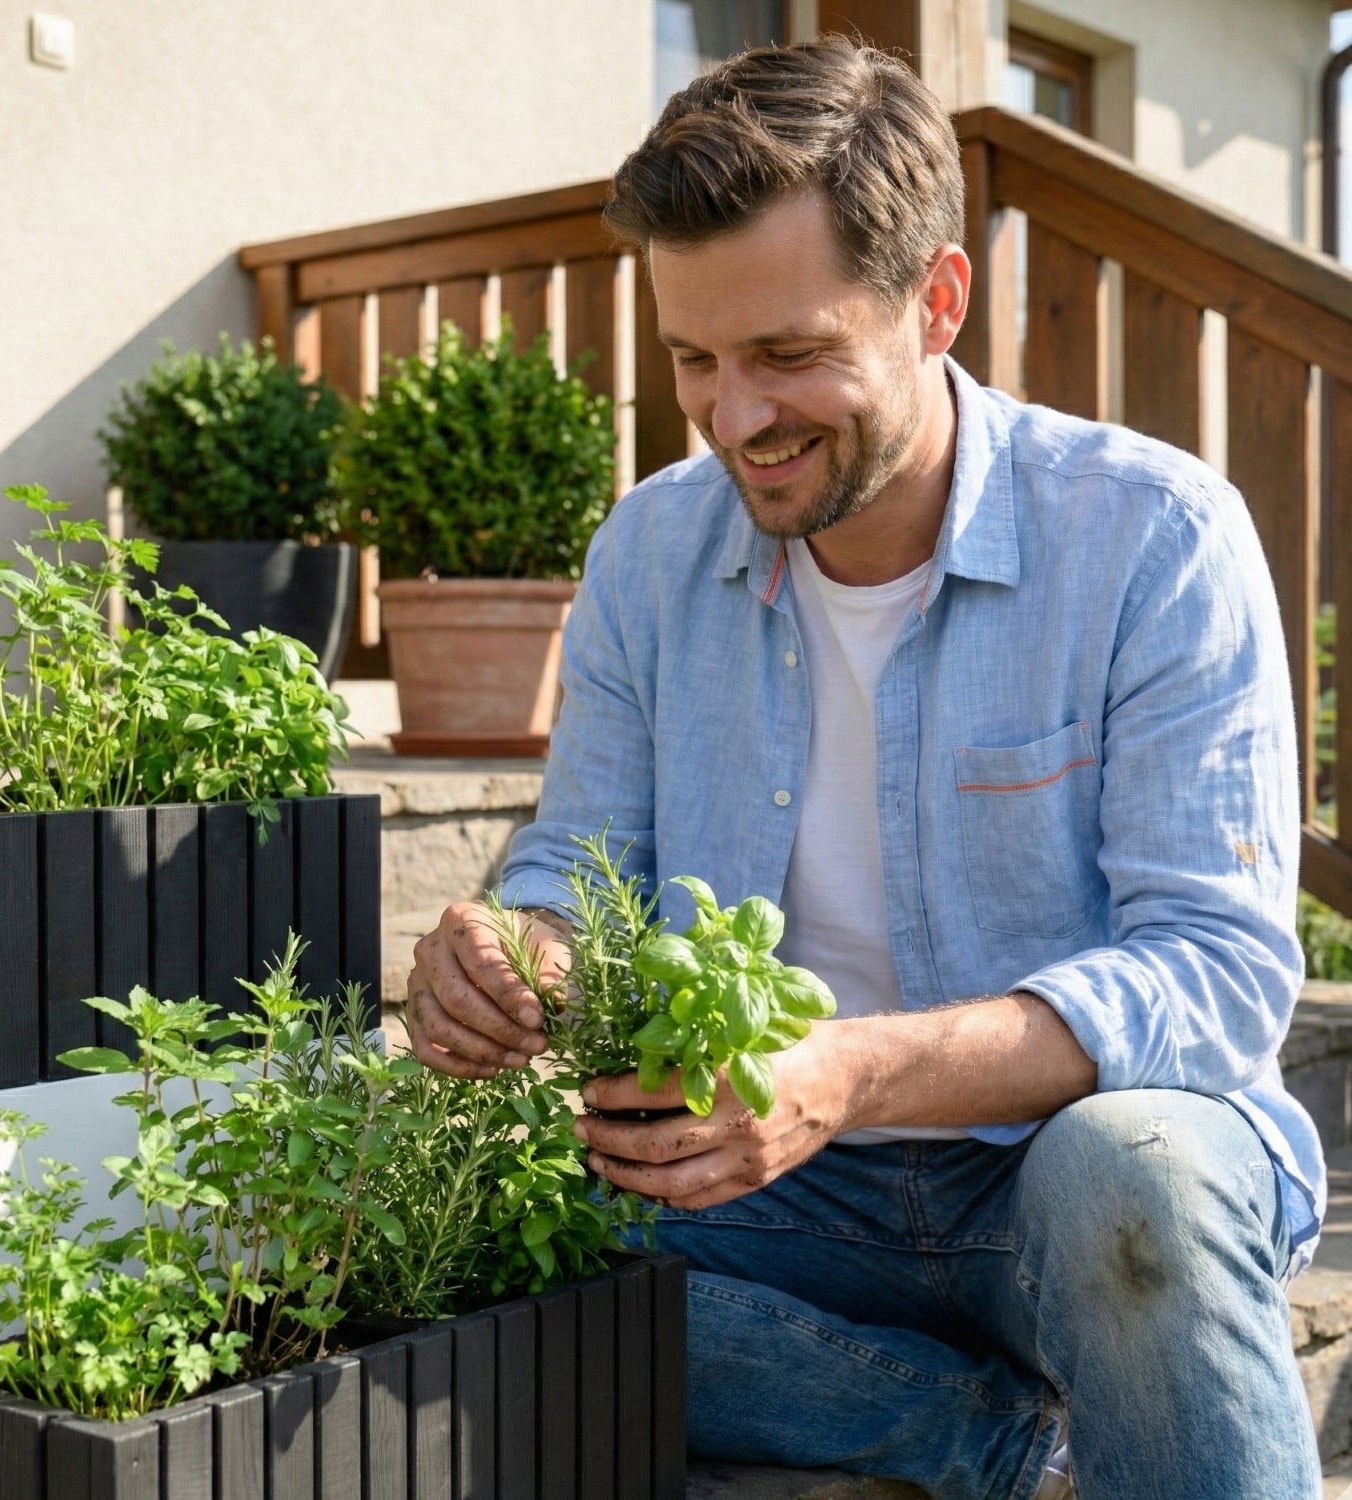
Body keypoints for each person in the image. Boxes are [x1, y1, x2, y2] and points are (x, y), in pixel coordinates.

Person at [404, 34, 1326, 1500]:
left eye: (787, 355)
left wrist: (843, 1072)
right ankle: (975, 1438)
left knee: (1134, 1178)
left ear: (936, 303)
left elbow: (1214, 973)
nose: (734, 418)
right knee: (441, 1231)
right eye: (694, 360)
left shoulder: (1154, 536)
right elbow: (586, 865)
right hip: (762, 1189)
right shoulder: (650, 550)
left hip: (1067, 1189)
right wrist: (518, 952)